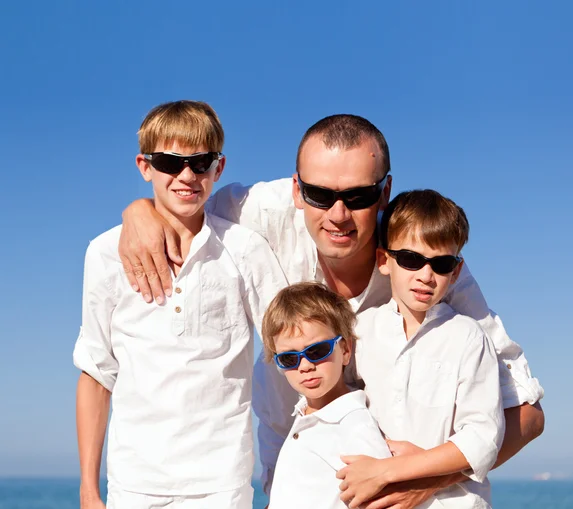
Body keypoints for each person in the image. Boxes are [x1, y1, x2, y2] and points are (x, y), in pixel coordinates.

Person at [118, 114, 545, 508]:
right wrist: (139, 212)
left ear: (385, 193)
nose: (338, 215)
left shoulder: (423, 265)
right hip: (288, 476)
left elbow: (526, 413)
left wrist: (421, 480)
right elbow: (183, 197)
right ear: (297, 190)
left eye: (359, 196)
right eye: (320, 194)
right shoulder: (258, 213)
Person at [74, 100, 287, 509]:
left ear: (218, 168)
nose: (186, 176)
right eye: (170, 162)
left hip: (222, 483)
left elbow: (287, 347)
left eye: (200, 162)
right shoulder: (103, 254)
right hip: (133, 484)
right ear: (145, 166)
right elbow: (97, 371)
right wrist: (88, 490)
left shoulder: (244, 250)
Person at [337, 190, 504, 508]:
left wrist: (390, 470)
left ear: (455, 272)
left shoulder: (469, 338)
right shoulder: (358, 331)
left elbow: (483, 438)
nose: (426, 275)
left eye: (441, 264)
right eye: (412, 259)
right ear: (384, 261)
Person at [262, 282, 392, 509]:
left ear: (345, 350)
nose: (304, 366)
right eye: (289, 358)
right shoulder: (306, 414)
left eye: (316, 351)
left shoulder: (354, 426)